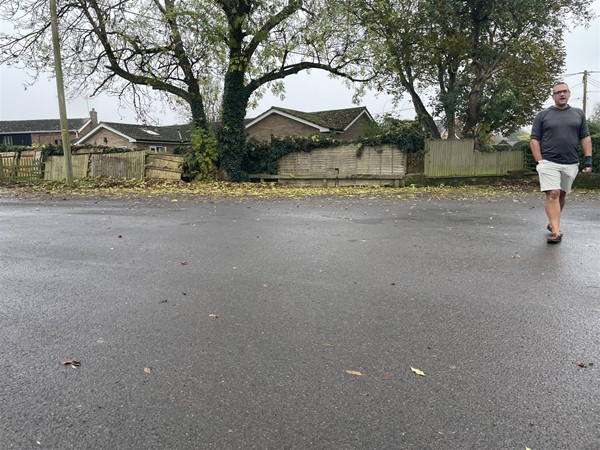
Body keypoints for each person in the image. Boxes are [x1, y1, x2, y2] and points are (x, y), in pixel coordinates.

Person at [530, 81, 593, 244]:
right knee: (553, 194)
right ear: (553, 96)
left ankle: (553, 224)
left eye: (564, 91)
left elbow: (585, 137)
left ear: (569, 93)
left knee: (562, 194)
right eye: (558, 92)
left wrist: (588, 159)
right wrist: (540, 161)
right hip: (548, 162)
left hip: (570, 163)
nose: (562, 94)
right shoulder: (543, 115)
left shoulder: (578, 114)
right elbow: (534, 140)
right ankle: (556, 232)